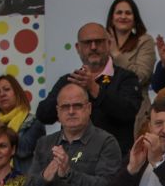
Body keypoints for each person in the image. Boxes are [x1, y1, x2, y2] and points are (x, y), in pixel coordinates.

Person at [37, 22, 141, 154]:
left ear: (109, 44)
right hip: (74, 163)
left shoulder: (126, 78)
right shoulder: (69, 81)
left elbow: (128, 111)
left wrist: (94, 88)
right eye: (87, 43)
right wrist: (65, 100)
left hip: (116, 161)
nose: (93, 47)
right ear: (77, 47)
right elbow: (43, 115)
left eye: (98, 42)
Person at [0, 74, 45, 175]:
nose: (2, 94)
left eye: (6, 89)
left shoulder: (34, 122)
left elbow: (23, 150)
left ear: (17, 93)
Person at [105, 0, 156, 136]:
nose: (123, 16)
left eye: (128, 13)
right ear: (111, 18)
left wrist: (116, 54)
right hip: (107, 108)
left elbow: (141, 76)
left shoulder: (145, 41)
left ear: (135, 19)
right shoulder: (102, 42)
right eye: (119, 12)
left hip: (136, 110)